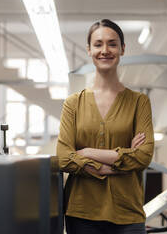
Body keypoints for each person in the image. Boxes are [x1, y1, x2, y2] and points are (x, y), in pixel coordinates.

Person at [56, 19, 154, 234]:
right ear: (89, 50)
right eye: (98, 44)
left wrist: (87, 152)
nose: (105, 50)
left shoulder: (139, 102)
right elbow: (63, 157)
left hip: (127, 212)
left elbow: (144, 156)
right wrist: (114, 164)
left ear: (122, 49)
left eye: (112, 43)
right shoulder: (74, 103)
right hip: (82, 213)